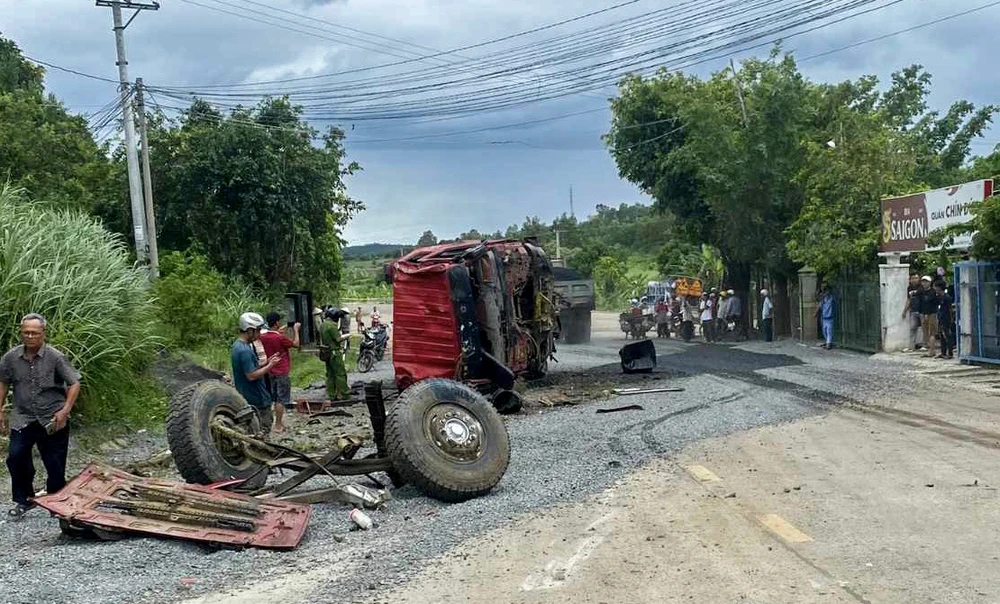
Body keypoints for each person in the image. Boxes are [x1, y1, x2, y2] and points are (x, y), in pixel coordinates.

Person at [0, 314, 81, 519]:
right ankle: (23, 499)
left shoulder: (55, 357)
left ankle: (56, 501)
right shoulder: (10, 358)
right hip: (23, 416)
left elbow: (74, 383)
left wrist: (65, 410)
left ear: (43, 333)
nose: (30, 336)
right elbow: (3, 383)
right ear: (21, 332)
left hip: (52, 417)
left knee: (54, 462)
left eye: (34, 333)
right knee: (16, 457)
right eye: (26, 332)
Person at [231, 312, 282, 436]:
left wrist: (266, 362)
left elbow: (249, 368)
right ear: (249, 331)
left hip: (248, 395)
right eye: (257, 331)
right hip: (256, 397)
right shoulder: (244, 351)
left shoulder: (238, 346)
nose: (259, 334)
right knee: (263, 431)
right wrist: (270, 366)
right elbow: (251, 375)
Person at [259, 312, 300, 433]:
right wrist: (296, 330)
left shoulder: (263, 337)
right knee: (281, 399)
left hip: (270, 370)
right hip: (281, 370)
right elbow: (296, 344)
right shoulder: (279, 338)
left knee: (274, 397)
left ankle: (279, 422)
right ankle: (277, 425)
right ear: (277, 323)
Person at [320, 308, 350, 401]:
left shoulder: (323, 325)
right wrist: (346, 336)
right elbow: (337, 339)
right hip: (334, 352)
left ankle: (332, 394)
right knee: (340, 373)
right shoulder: (332, 326)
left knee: (330, 374)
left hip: (326, 351)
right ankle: (344, 393)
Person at [917, 276, 940, 358]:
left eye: (926, 281)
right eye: (923, 281)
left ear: (930, 283)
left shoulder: (933, 292)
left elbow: (934, 303)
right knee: (926, 333)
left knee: (932, 332)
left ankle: (932, 350)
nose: (924, 283)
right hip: (923, 314)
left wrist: (927, 313)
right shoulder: (921, 292)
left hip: (931, 314)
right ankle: (930, 349)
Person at [901, 274, 923, 351]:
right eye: (912, 278)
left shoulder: (922, 287)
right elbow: (909, 299)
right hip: (913, 310)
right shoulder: (909, 288)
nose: (914, 280)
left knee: (923, 328)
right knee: (913, 328)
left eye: (916, 278)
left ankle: (924, 345)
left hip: (922, 310)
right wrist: (905, 310)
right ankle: (911, 346)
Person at [935, 282, 955, 359]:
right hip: (941, 319)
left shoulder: (947, 297)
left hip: (946, 319)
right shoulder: (939, 297)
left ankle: (950, 353)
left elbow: (950, 310)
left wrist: (950, 320)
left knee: (947, 336)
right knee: (942, 336)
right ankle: (943, 352)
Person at [815, 283, 836, 349]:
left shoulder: (831, 298)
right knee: (824, 331)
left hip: (830, 317)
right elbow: (819, 305)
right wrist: (816, 313)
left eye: (826, 290)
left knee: (829, 331)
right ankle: (828, 342)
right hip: (824, 317)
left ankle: (828, 343)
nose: (825, 292)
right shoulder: (823, 299)